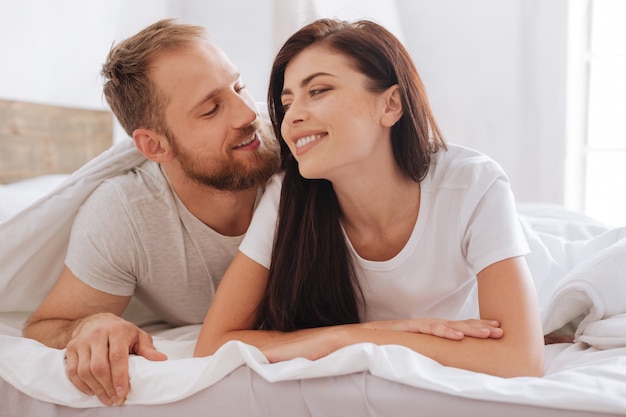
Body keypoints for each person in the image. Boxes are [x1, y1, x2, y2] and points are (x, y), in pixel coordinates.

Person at [194, 18, 545, 378]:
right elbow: (213, 344)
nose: (293, 117)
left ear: (390, 105)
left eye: (318, 91)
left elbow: (520, 360)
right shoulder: (287, 196)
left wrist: (367, 338)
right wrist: (359, 336)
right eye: (287, 102)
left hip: (547, 270)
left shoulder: (472, 183)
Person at [22, 19, 280, 406]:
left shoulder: (297, 150)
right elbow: (43, 327)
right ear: (155, 147)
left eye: (239, 86)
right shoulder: (126, 213)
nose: (247, 113)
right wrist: (91, 324)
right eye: (211, 109)